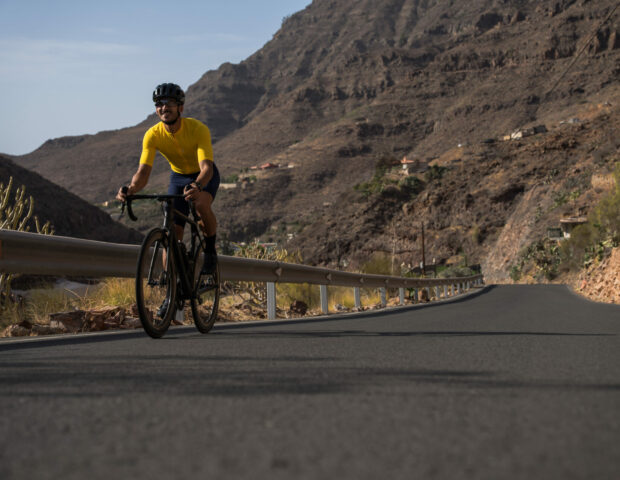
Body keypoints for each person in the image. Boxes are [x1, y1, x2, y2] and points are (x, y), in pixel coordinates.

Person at [117, 83, 219, 274]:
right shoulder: (152, 135)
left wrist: (198, 185)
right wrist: (131, 189)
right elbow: (143, 173)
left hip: (203, 175)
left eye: (170, 103)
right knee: (172, 233)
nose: (164, 107)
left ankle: (211, 249)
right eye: (159, 103)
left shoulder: (197, 129)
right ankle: (170, 291)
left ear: (180, 107)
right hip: (178, 177)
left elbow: (206, 167)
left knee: (200, 205)